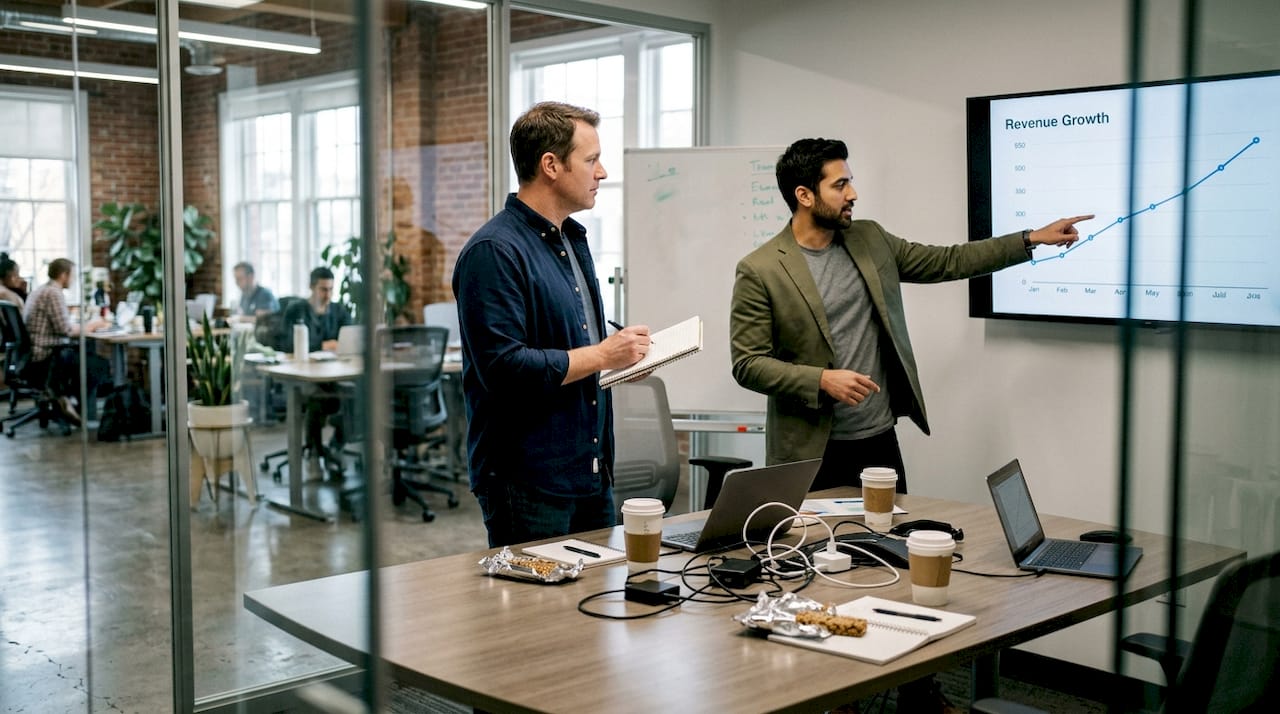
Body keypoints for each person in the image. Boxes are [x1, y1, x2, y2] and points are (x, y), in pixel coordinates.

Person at [731, 138, 1090, 494]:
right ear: (804, 196)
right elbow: (748, 363)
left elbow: (948, 261)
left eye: (850, 182)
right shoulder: (760, 269)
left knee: (891, 541)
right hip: (809, 451)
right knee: (812, 550)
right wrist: (821, 379)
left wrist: (1030, 239)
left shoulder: (870, 238)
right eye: (840, 185)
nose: (853, 194)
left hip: (878, 439)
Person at [453, 101, 650, 547]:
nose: (602, 172)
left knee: (594, 611)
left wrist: (624, 353)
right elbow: (503, 367)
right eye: (591, 159)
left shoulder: (571, 239)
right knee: (535, 616)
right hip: (528, 481)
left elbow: (574, 336)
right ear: (551, 166)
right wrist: (602, 354)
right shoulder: (494, 252)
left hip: (590, 470)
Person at [23, 258, 112, 425]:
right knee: (99, 365)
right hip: (47, 356)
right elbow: (66, 330)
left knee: (87, 356)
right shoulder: (53, 293)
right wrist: (93, 325)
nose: (72, 280)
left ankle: (64, 398)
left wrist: (85, 326)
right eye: (72, 275)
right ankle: (68, 401)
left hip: (35, 354)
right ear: (63, 275)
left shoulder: (41, 290)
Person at [282, 266, 352, 478]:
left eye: (331, 289)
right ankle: (313, 453)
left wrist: (336, 345)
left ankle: (334, 448)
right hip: (303, 372)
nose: (328, 295)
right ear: (312, 287)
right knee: (315, 397)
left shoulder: (339, 310)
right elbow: (288, 343)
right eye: (323, 289)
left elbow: (350, 337)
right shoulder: (297, 310)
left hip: (335, 372)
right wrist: (323, 344)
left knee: (355, 395)